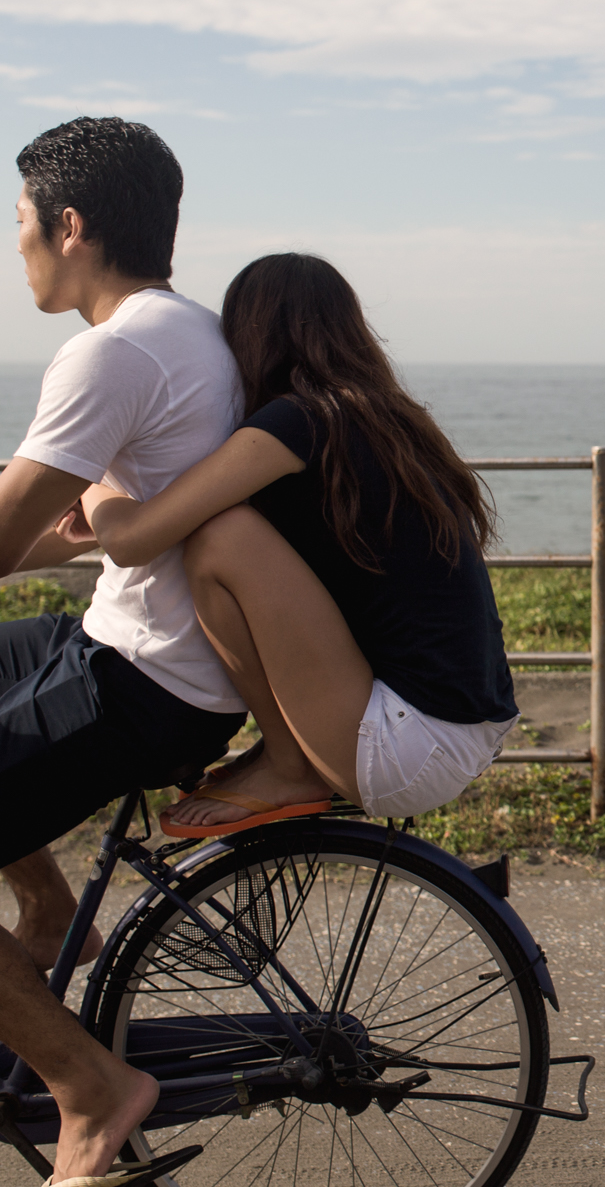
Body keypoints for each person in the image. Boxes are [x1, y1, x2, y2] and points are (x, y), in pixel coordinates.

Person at [0, 117, 248, 1183]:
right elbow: (37, 523)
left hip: (139, 681)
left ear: (68, 226)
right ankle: (46, 906)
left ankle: (91, 1088)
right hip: (135, 639)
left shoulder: (108, 350)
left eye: (18, 221)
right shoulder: (186, 330)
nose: (13, 243)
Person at [64, 253, 518, 837]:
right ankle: (288, 757)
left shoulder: (296, 422)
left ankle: (289, 765)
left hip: (408, 741)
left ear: (248, 335)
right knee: (223, 529)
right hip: (459, 725)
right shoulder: (379, 418)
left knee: (219, 538)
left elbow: (131, 539)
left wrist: (93, 479)